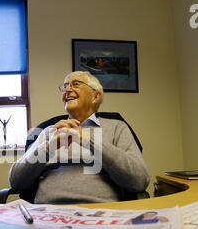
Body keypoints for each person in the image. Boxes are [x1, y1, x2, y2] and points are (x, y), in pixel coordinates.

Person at [8, 71, 150, 204]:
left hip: (101, 211)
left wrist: (91, 141)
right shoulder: (49, 132)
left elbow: (139, 180)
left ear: (95, 96)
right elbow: (16, 181)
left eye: (75, 84)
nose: (67, 90)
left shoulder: (117, 128)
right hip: (49, 211)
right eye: (65, 87)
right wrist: (47, 148)